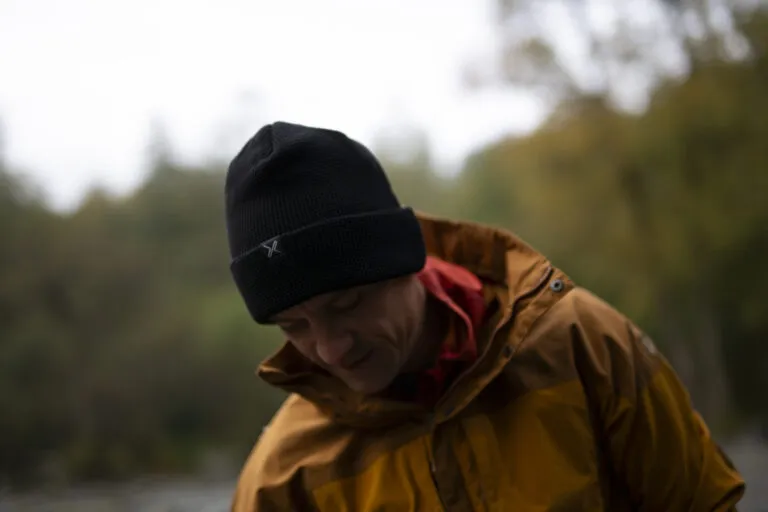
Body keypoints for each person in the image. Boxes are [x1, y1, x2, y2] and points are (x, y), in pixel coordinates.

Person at [224, 121, 745, 511]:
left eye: (348, 305)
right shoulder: (280, 478)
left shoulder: (584, 343)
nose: (331, 348)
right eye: (294, 326)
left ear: (408, 262)